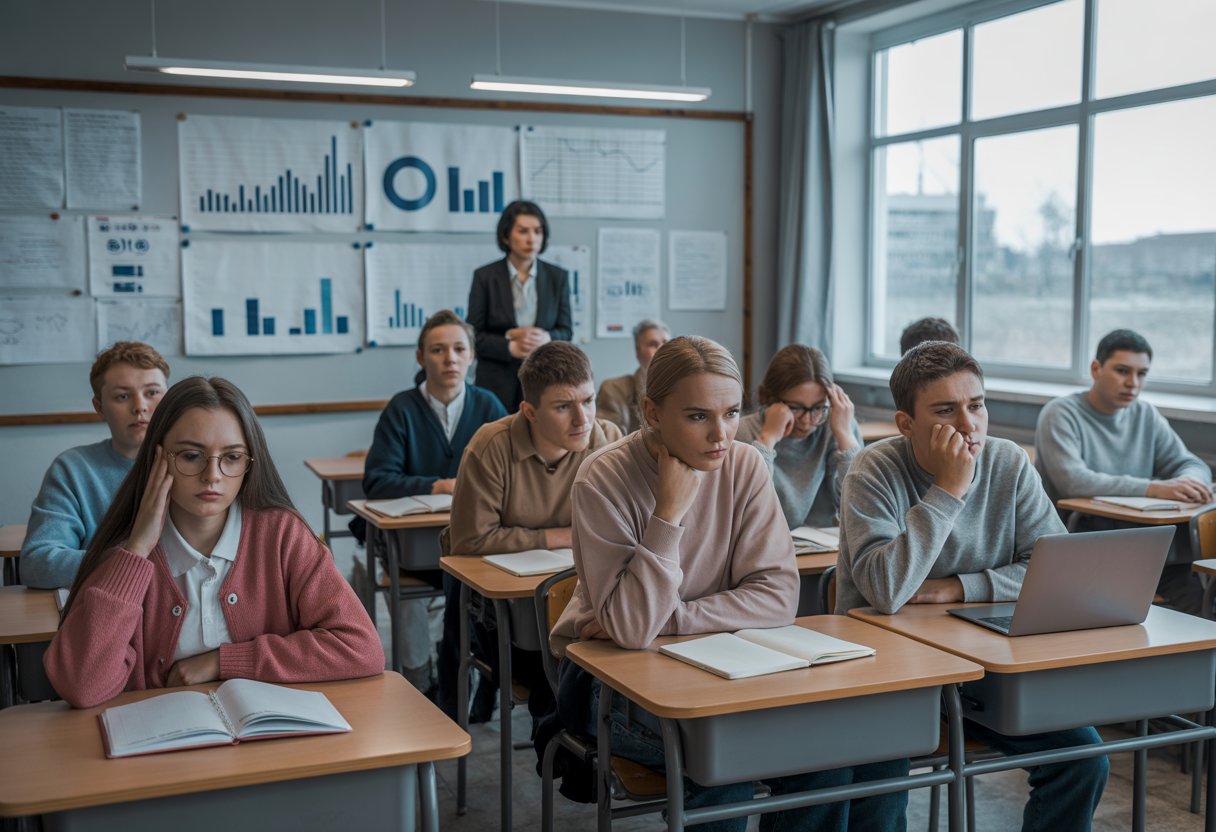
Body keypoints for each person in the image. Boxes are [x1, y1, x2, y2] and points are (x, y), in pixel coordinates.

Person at [552, 336, 906, 832]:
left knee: (834, 754)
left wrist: (669, 618)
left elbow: (779, 596)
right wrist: (668, 514)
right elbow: (632, 633)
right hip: (613, 684)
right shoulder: (602, 477)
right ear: (652, 411)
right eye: (698, 416)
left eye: (731, 412)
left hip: (731, 667)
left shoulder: (743, 464)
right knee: (725, 773)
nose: (721, 434)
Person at [836, 341, 1108, 832]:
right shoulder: (872, 469)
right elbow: (884, 589)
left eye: (976, 405)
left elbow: (1055, 569)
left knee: (1084, 758)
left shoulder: (1008, 462)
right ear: (905, 423)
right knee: (881, 789)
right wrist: (949, 489)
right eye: (945, 411)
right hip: (886, 679)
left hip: (982, 672)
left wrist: (961, 586)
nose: (969, 425)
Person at [45, 377, 384, 710]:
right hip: (159, 754)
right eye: (192, 455)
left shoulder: (283, 533)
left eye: (232, 457)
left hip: (269, 746)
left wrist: (224, 662)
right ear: (158, 457)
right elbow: (81, 686)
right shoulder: (127, 553)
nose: (213, 475)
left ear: (250, 463)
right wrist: (136, 551)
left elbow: (361, 648)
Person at [443, 341, 621, 724]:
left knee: (612, 671)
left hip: (579, 595)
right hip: (504, 608)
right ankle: (563, 749)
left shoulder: (606, 438)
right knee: (552, 680)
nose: (582, 419)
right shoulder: (491, 445)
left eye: (588, 401)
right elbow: (470, 540)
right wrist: (565, 534)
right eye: (563, 407)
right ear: (529, 412)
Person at [360, 310, 506, 692]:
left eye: (459, 349)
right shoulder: (402, 409)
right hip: (415, 551)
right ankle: (419, 687)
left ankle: (469, 682)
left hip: (475, 548)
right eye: (438, 350)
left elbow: (513, 477)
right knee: (408, 598)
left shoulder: (489, 406)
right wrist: (439, 485)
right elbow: (378, 481)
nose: (450, 359)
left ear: (472, 356)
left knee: (487, 597)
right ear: (421, 357)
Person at [1035, 329, 1212, 613]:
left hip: (1149, 553)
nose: (1133, 383)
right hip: (1084, 550)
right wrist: (1153, 488)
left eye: (1142, 374)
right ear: (1096, 369)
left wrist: (1191, 481)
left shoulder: (1145, 415)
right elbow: (1073, 481)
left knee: (1202, 608)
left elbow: (1190, 463)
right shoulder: (1060, 413)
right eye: (1122, 371)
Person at [21, 341, 170, 589]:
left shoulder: (197, 463)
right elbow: (36, 564)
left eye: (152, 393)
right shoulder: (73, 470)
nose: (140, 406)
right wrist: (131, 558)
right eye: (123, 396)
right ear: (99, 407)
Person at [735, 344, 861, 529]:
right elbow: (747, 507)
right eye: (795, 408)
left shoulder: (837, 426)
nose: (807, 420)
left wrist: (846, 436)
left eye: (818, 407)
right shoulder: (743, 432)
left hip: (820, 550)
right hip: (763, 547)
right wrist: (767, 439)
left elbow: (859, 507)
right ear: (768, 398)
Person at [467, 200, 572, 411]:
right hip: (496, 380)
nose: (532, 238)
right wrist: (509, 345)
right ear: (506, 236)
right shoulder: (485, 277)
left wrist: (547, 338)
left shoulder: (557, 277)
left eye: (537, 231)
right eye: (523, 231)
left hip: (543, 378)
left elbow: (566, 331)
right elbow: (472, 335)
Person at [596, 318, 670, 434]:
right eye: (653, 344)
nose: (661, 349)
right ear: (638, 351)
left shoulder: (683, 388)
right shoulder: (613, 389)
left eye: (666, 343)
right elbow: (610, 442)